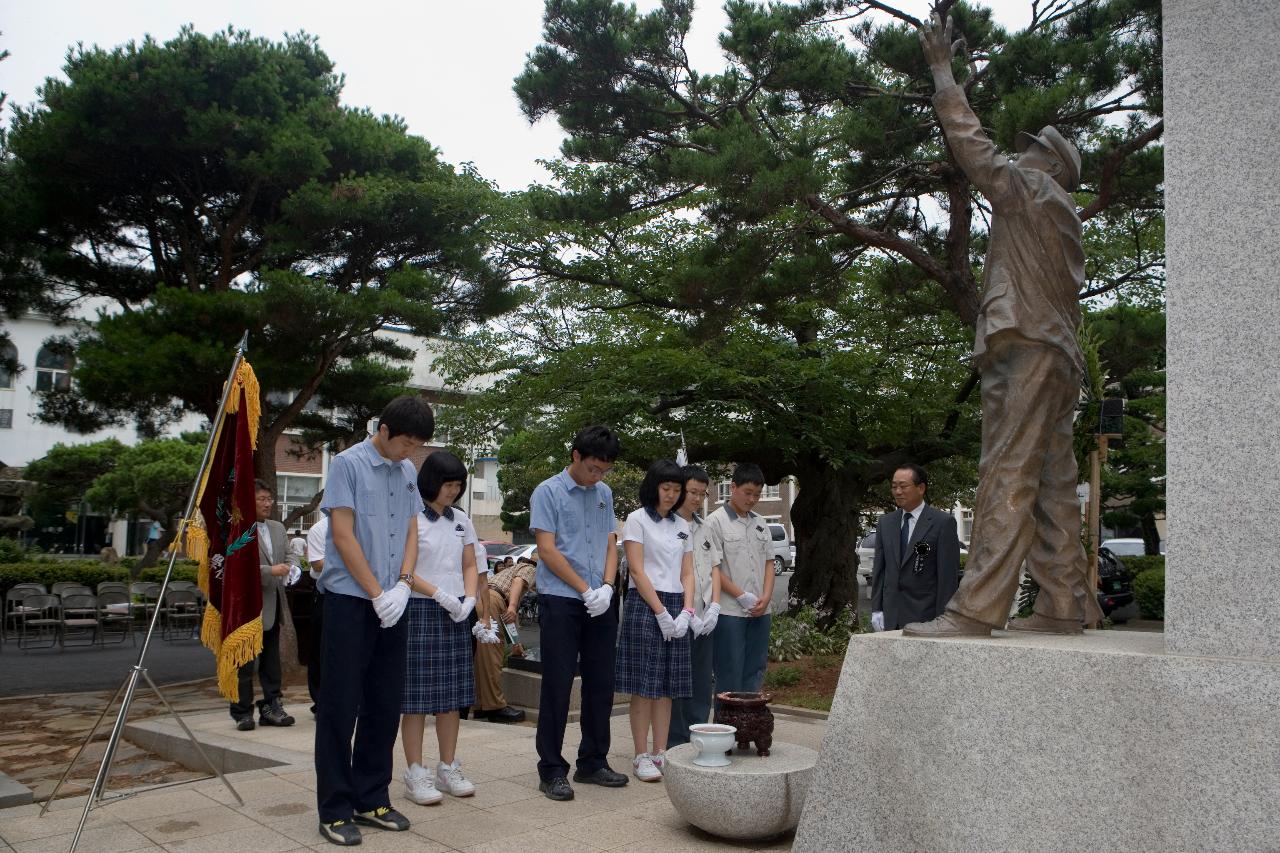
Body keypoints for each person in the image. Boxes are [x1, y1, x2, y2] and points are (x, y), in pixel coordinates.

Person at [908, 14, 1100, 637]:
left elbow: (974, 149)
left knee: (1007, 470)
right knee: (1052, 481)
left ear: (1047, 163)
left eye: (1031, 149)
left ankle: (976, 610)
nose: (1021, 153)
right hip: (1059, 356)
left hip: (1026, 349)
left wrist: (943, 73)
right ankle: (1063, 603)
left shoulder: (1032, 192)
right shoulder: (1061, 215)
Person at [314, 396, 434, 846]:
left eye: (417, 445)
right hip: (350, 600)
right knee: (340, 706)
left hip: (394, 601)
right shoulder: (347, 464)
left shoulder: (406, 472)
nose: (410, 452)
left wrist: (403, 584)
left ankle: (372, 797)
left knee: (385, 703)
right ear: (383, 430)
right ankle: (334, 808)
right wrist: (376, 591)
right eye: (405, 442)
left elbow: (410, 531)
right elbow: (342, 536)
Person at [530, 425, 628, 801]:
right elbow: (548, 550)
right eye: (593, 468)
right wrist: (584, 588)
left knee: (601, 682)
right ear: (576, 456)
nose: (598, 476)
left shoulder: (603, 493)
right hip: (561, 599)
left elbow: (609, 542)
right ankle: (551, 768)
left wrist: (605, 586)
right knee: (557, 683)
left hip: (600, 599)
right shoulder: (548, 491)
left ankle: (593, 760)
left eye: (604, 470)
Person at [399, 451, 481, 806]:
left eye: (458, 486)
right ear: (432, 482)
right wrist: (439, 594)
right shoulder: (412, 518)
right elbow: (405, 569)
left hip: (456, 613)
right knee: (415, 699)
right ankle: (416, 772)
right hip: (419, 610)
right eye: (448, 485)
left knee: (450, 697)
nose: (453, 491)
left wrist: (469, 598)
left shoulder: (461, 520)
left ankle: (448, 766)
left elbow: (471, 563)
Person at [616, 459, 695, 781]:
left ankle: (661, 752)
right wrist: (661, 612)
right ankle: (640, 754)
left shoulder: (682, 525)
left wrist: (687, 611)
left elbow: (688, 572)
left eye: (676, 490)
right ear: (654, 487)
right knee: (644, 685)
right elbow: (636, 569)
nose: (671, 494)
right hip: (644, 603)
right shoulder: (637, 520)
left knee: (667, 686)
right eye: (666, 488)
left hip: (676, 603)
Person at [229, 480, 297, 731]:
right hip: (246, 607)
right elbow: (235, 567)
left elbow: (289, 555)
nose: (268, 503)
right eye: (262, 499)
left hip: (273, 603)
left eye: (270, 499)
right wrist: (270, 570)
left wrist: (292, 568)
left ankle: (271, 706)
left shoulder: (277, 528)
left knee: (271, 661)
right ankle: (241, 711)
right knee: (245, 663)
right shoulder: (236, 529)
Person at [706, 463, 775, 700]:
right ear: (732, 487)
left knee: (754, 671)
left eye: (757, 494)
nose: (752, 499)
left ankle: (747, 727)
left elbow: (769, 562)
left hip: (760, 611)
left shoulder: (760, 523)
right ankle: (726, 730)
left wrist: (765, 597)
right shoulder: (715, 522)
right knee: (729, 674)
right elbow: (713, 567)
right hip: (730, 612)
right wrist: (741, 595)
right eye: (748, 493)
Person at [870, 464, 961, 631]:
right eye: (894, 486)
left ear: (921, 488)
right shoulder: (886, 522)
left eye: (903, 486)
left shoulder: (942, 523)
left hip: (925, 616)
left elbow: (947, 577)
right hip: (890, 616)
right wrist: (877, 608)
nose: (898, 492)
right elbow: (880, 570)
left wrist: (944, 618)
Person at [668, 465, 721, 748]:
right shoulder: (668, 525)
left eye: (701, 493)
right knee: (678, 680)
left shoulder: (705, 526)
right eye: (692, 492)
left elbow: (715, 567)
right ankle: (675, 738)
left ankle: (698, 731)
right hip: (678, 615)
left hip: (704, 615)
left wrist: (714, 607)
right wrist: (686, 612)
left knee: (702, 679)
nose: (696, 499)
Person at [471, 556, 535, 723]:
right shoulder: (529, 568)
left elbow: (509, 617)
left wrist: (515, 644)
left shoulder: (507, 572)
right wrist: (513, 606)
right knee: (492, 657)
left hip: (482, 599)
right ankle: (496, 707)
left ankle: (480, 706)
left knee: (481, 658)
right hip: (492, 602)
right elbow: (518, 583)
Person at [305, 514, 329, 715]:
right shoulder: (319, 530)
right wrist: (350, 559)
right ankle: (320, 701)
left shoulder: (360, 525)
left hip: (358, 594)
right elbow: (317, 564)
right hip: (326, 594)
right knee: (320, 651)